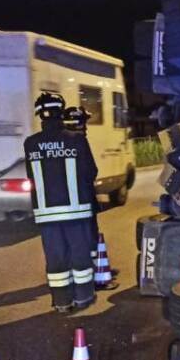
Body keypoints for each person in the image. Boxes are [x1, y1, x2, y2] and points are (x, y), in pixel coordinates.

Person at [24, 93, 98, 312]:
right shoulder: (77, 140)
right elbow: (91, 172)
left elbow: (32, 177)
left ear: (40, 114)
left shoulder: (31, 144)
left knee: (56, 258)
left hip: (46, 214)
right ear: (61, 111)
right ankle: (83, 298)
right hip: (77, 211)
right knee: (79, 254)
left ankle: (61, 302)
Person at [64, 105, 119, 290]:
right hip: (84, 200)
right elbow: (91, 171)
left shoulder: (61, 141)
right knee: (90, 240)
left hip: (67, 202)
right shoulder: (79, 141)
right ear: (78, 123)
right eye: (84, 122)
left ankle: (84, 273)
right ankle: (96, 277)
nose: (86, 126)